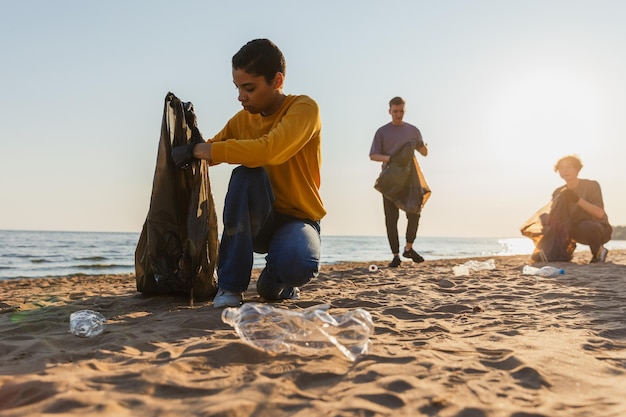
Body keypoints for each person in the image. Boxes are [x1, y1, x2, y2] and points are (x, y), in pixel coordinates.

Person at [171, 39, 325, 308]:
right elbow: (210, 151)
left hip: (298, 220)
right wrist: (182, 144)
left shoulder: (304, 109)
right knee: (245, 176)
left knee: (298, 262)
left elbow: (269, 150)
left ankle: (275, 283)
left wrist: (199, 150)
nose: (241, 96)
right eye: (237, 87)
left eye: (249, 88)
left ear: (277, 81)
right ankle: (230, 287)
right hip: (258, 220)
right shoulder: (241, 120)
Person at [369, 96, 430, 267]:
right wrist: (392, 158)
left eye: (401, 111)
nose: (398, 114)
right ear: (389, 111)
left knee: (414, 213)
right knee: (391, 218)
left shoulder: (413, 130)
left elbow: (424, 153)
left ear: (405, 110)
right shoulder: (382, 132)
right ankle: (396, 256)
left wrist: (421, 145)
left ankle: (408, 248)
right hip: (390, 180)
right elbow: (373, 155)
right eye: (395, 111)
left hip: (411, 180)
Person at [552, 155, 612, 263]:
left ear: (577, 169)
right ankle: (564, 252)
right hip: (571, 230)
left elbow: (599, 213)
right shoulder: (559, 192)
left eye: (569, 167)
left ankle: (598, 252)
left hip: (597, 229)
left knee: (586, 225)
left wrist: (576, 199)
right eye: (561, 167)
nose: (565, 170)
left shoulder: (591, 185)